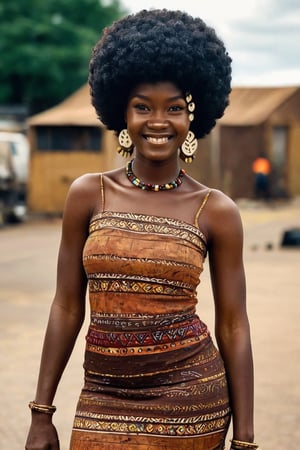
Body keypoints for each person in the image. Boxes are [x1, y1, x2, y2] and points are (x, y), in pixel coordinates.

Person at [25, 9, 257, 450]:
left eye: (174, 108)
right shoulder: (88, 194)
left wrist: (244, 438)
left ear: (194, 116)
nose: (158, 121)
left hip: (190, 400)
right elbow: (66, 307)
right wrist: (42, 413)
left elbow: (234, 325)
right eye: (142, 106)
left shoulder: (215, 210)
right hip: (102, 399)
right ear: (122, 113)